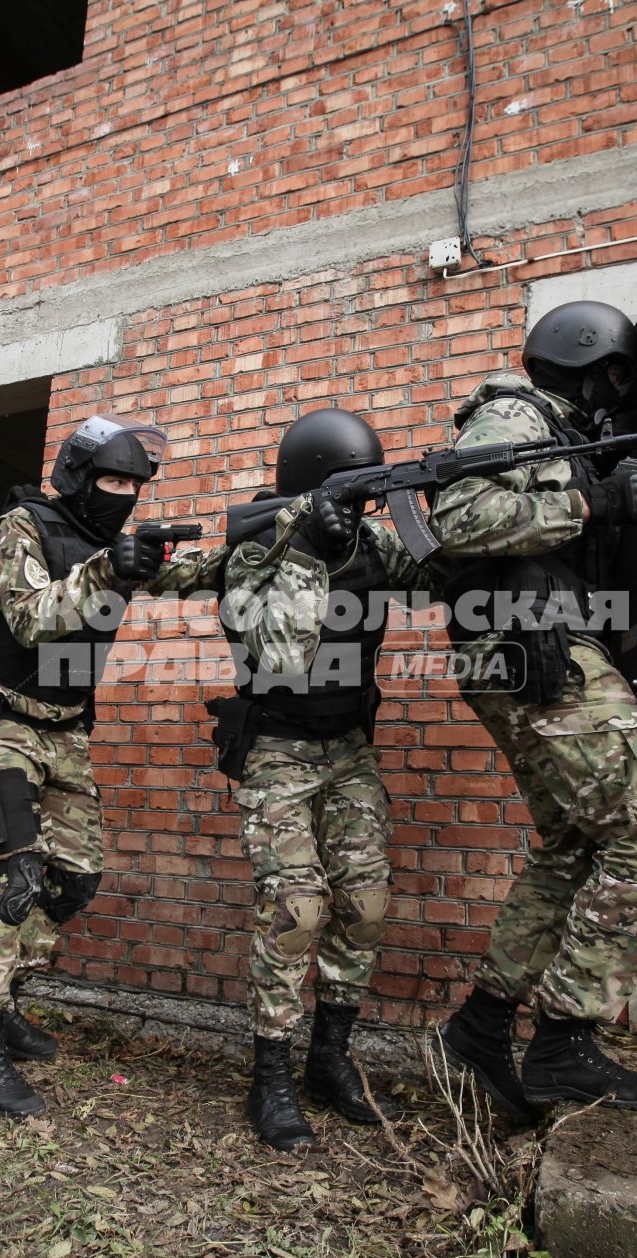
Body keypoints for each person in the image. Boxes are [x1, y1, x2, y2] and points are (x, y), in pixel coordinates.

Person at [430, 300, 637, 1115]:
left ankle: (483, 1023)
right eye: (615, 371)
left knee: (574, 844)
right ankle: (566, 1044)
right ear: (582, 360)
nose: (619, 388)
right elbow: (457, 520)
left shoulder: (566, 435)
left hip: (540, 646)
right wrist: (593, 504)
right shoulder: (514, 414)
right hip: (530, 648)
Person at [0, 413, 225, 1118]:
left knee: (75, 878)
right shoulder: (22, 527)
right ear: (75, 474)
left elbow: (192, 576)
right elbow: (30, 617)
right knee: (12, 880)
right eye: (111, 479)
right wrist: (109, 567)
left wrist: (275, 535)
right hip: (2, 719)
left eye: (134, 484)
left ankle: (5, 997)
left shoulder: (111, 542)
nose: (123, 494)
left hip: (67, 729)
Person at [214, 407, 442, 1150]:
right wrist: (311, 545)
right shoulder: (257, 544)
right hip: (278, 747)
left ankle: (329, 1059)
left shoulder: (376, 538)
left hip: (348, 747)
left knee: (367, 903)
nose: (363, 514)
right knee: (298, 910)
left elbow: (441, 570)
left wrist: (468, 495)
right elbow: (276, 652)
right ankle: (270, 1077)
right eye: (353, 495)